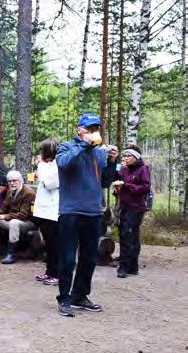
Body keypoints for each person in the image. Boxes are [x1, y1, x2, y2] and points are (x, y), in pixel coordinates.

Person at [55, 113, 118, 317]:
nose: (93, 132)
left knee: (90, 258)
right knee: (67, 259)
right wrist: (85, 145)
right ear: (79, 130)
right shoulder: (66, 147)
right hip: (71, 211)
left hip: (93, 211)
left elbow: (106, 181)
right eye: (89, 128)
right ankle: (64, 299)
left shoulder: (99, 153)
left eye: (95, 129)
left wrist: (110, 161)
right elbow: (64, 164)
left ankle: (79, 296)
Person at [0, 170, 36, 264]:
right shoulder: (10, 191)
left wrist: (3, 216)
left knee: (14, 222)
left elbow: (24, 215)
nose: (12, 183)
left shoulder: (28, 193)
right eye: (9, 181)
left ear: (20, 181)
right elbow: (4, 207)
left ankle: (11, 254)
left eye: (14, 180)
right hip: (13, 218)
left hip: (27, 222)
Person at [113, 145, 151, 278]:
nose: (125, 158)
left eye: (128, 156)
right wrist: (117, 165)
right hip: (124, 206)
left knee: (128, 235)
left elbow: (145, 188)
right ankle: (133, 266)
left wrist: (127, 186)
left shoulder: (142, 169)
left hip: (136, 208)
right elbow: (116, 176)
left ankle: (124, 267)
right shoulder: (124, 169)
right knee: (128, 236)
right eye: (124, 156)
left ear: (136, 157)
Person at [33, 138, 61, 286]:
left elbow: (50, 183)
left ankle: (56, 274)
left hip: (53, 211)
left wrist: (41, 165)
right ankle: (49, 272)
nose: (40, 153)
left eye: (42, 150)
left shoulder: (57, 165)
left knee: (55, 244)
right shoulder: (48, 165)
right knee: (49, 244)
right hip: (44, 211)